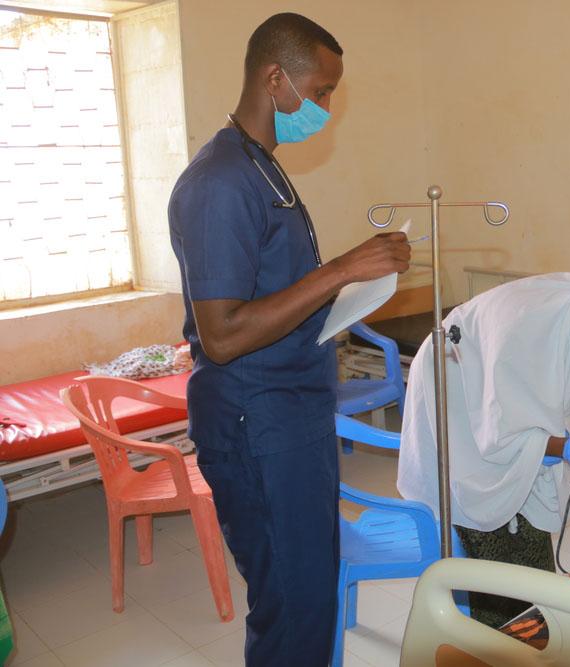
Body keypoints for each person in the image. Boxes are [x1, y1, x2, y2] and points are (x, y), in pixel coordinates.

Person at [167, 13, 410, 666]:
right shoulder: (219, 183)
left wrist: (354, 282)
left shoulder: (264, 170)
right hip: (256, 419)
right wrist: (340, 270)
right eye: (322, 91)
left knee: (310, 595)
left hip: (292, 412)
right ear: (275, 79)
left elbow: (277, 292)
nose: (327, 107)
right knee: (292, 611)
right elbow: (221, 335)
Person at [398, 241, 570, 628]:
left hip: (507, 402)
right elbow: (498, 432)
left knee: (534, 518)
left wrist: (561, 444)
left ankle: (533, 616)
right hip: (459, 389)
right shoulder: (522, 331)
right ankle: (497, 633)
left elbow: (566, 394)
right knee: (486, 516)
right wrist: (565, 446)